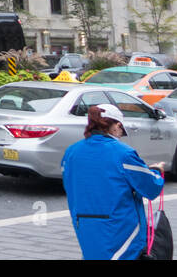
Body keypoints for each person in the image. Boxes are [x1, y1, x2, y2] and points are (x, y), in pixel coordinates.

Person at [61, 103, 166, 260]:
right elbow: (151, 187)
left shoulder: (71, 153)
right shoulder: (123, 153)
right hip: (120, 228)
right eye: (121, 129)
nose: (120, 134)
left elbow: (72, 185)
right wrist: (157, 171)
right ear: (116, 126)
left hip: (84, 225)